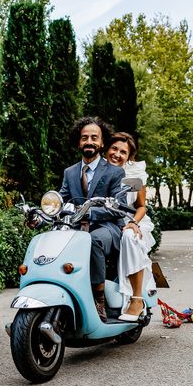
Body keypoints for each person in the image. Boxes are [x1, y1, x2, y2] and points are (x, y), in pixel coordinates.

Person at [58, 117, 127, 322]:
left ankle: (99, 300)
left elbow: (119, 208)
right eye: (84, 138)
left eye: (94, 138)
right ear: (79, 142)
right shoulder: (69, 172)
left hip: (107, 227)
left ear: (102, 143)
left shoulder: (115, 172)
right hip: (77, 227)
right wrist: (45, 213)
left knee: (93, 240)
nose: (89, 141)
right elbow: (61, 200)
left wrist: (90, 213)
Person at [104, 132, 157, 322]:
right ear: (107, 149)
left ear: (129, 157)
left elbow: (141, 206)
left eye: (123, 152)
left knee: (129, 236)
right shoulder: (98, 171)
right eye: (114, 149)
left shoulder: (135, 174)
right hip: (107, 222)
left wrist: (133, 223)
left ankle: (137, 299)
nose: (117, 154)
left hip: (132, 220)